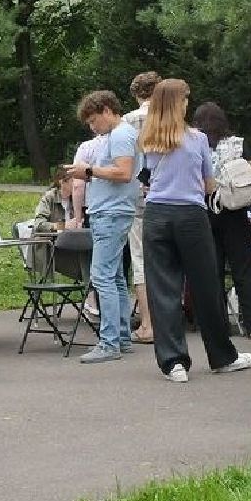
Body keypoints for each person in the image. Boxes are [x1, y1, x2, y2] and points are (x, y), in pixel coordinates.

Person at [139, 80, 251, 383]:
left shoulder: (148, 138)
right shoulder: (198, 138)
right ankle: (222, 356)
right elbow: (209, 184)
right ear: (180, 103)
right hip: (190, 214)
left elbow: (145, 178)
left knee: (163, 288)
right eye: (186, 99)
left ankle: (173, 361)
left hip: (156, 214)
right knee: (206, 286)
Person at [61, 90, 140, 364]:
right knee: (115, 277)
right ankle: (122, 336)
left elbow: (124, 173)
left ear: (107, 110)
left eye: (94, 121)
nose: (93, 128)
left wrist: (88, 171)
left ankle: (109, 343)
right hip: (112, 211)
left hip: (111, 212)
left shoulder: (120, 135)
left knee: (102, 276)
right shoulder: (120, 134)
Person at [192, 102, 251, 339]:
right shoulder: (239, 143)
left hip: (205, 211)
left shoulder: (194, 145)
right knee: (244, 269)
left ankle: (218, 328)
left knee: (211, 271)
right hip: (236, 212)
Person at [124, 71, 161, 343]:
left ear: (137, 94)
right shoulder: (170, 119)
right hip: (168, 195)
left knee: (140, 259)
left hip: (137, 196)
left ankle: (148, 324)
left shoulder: (128, 121)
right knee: (167, 259)